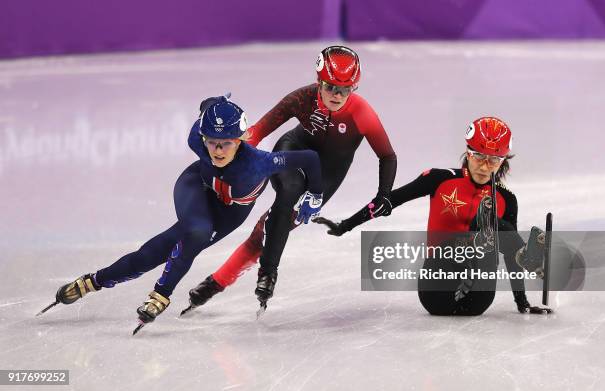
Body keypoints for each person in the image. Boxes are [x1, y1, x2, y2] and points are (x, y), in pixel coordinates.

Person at [38, 96, 324, 331]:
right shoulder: (196, 140)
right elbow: (206, 108)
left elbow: (310, 159)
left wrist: (316, 194)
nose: (218, 149)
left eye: (226, 142)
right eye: (211, 141)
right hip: (196, 186)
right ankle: (161, 295)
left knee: (157, 251)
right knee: (196, 232)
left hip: (228, 211)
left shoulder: (260, 163)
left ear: (241, 139)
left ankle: (93, 281)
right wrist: (213, 102)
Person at [184, 46, 397, 314]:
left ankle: (215, 283)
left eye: (345, 89)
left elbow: (387, 156)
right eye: (331, 86)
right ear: (319, 81)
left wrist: (384, 195)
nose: (337, 95)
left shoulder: (362, 113)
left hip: (330, 171)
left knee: (268, 229)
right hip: (293, 150)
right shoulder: (302, 98)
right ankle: (268, 274)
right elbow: (257, 131)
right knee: (289, 192)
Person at [315, 117, 552, 315]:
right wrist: (345, 225)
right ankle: (525, 254)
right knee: (485, 220)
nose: (484, 166)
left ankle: (526, 256)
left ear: (502, 162)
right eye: (478, 156)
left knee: (493, 227)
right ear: (467, 153)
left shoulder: (507, 199)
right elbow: (389, 201)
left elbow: (510, 253)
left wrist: (522, 303)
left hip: (478, 299)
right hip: (437, 288)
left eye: (493, 160)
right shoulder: (440, 179)